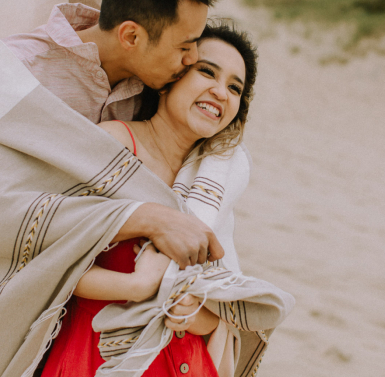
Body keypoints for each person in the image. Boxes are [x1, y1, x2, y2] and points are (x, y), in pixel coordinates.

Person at [39, 21, 257, 377]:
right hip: (96, 358)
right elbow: (50, 259)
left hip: (186, 363)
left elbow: (215, 317)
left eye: (235, 88)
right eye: (207, 72)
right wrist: (136, 286)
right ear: (171, 77)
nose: (221, 92)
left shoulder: (212, 187)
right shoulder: (116, 145)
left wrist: (191, 309)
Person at [3, 0, 224, 269]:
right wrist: (149, 219)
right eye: (185, 46)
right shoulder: (21, 70)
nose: (193, 59)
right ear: (131, 37)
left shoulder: (159, 85)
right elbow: (6, 207)